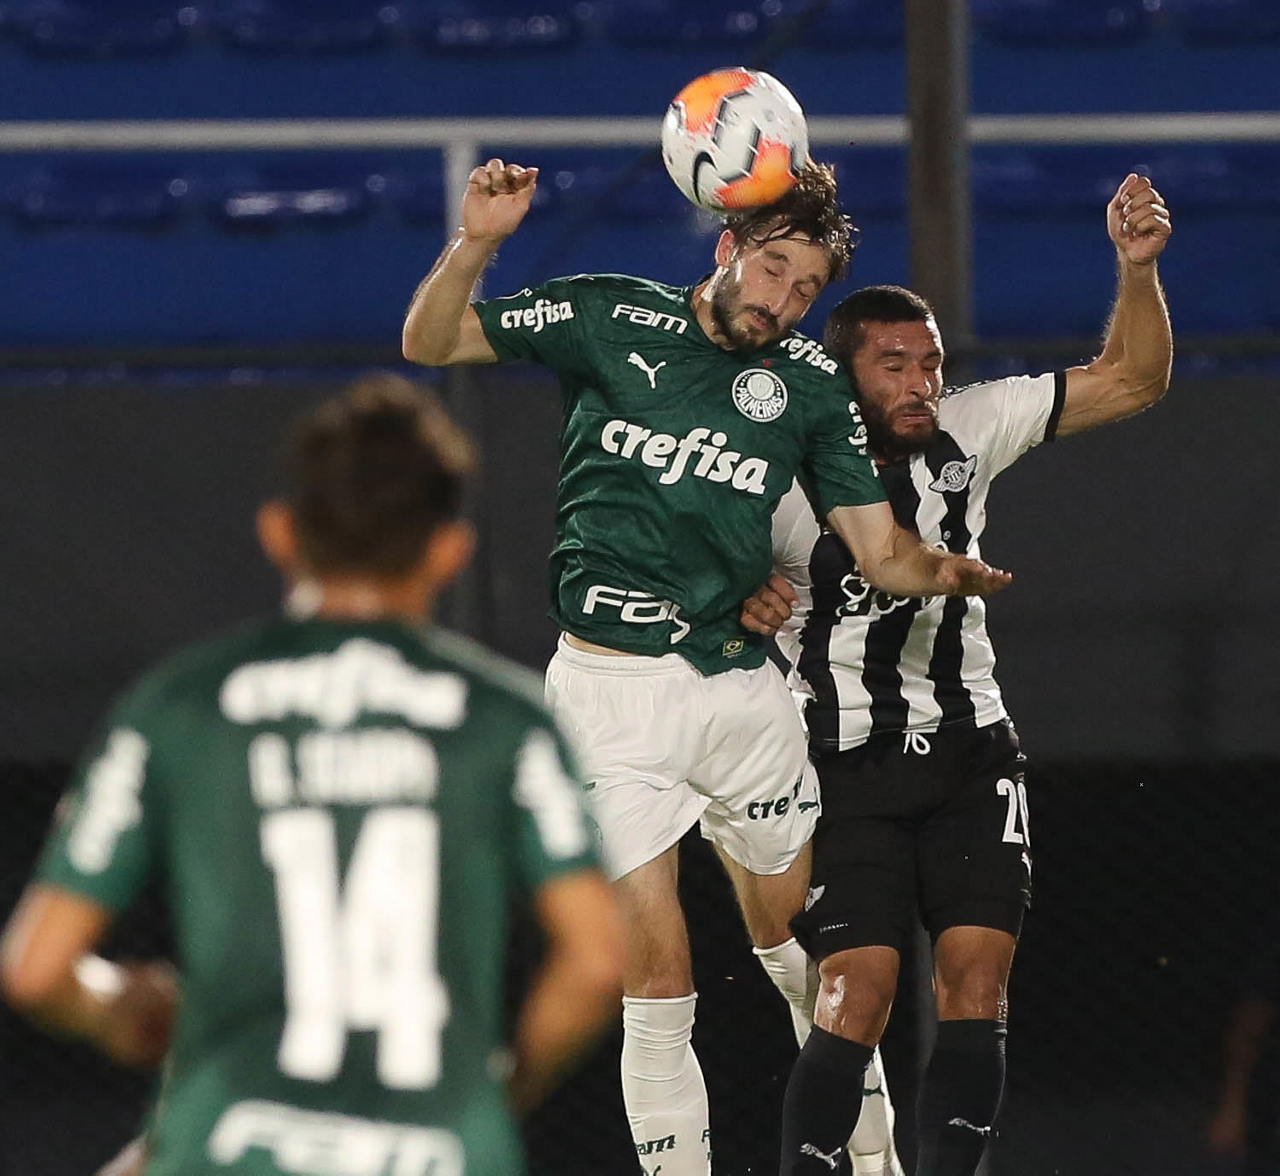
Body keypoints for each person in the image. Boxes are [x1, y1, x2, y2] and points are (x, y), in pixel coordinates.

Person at [401, 156, 1010, 1176]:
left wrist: (942, 570)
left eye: (805, 288)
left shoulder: (808, 386)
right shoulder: (607, 317)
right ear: (728, 248)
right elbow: (429, 341)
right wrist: (479, 241)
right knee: (656, 986)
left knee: (806, 965)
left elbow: (879, 552)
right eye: (772, 270)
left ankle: (875, 1168)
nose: (783, 300)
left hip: (740, 695)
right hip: (611, 703)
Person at [0, 374, 625, 1176]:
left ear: (280, 533)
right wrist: (497, 1096)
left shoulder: (182, 706)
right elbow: (596, 960)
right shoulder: (506, 721)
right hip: (440, 1145)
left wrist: (119, 1009)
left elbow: (37, 969)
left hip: (227, 1143)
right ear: (449, 550)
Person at [739, 173, 1173, 1176]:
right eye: (891, 365)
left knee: (976, 988)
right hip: (840, 764)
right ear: (842, 376)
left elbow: (1133, 381)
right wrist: (740, 596)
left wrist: (1136, 268)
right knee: (854, 993)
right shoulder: (779, 472)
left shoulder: (970, 429)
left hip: (970, 755)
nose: (918, 384)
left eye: (929, 363)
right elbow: (697, 567)